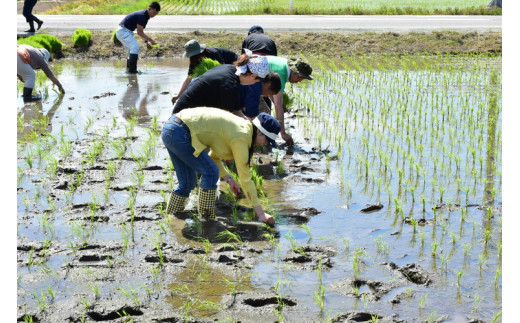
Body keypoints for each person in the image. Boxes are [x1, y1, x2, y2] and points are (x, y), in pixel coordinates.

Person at [162, 108, 281, 226]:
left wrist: (229, 179)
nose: (266, 144)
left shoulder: (242, 127)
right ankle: (206, 220)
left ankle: (171, 218)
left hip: (171, 128)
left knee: (188, 182)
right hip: (181, 132)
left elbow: (214, 158)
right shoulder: (242, 136)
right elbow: (245, 179)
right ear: (259, 131)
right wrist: (261, 214)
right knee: (211, 172)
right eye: (267, 139)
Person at [172, 51, 280, 118]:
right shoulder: (229, 85)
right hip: (182, 119)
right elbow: (227, 119)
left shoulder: (230, 69)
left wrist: (247, 123)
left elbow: (235, 108)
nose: (254, 84)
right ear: (252, 76)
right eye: (256, 81)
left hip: (185, 114)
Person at [265, 56, 313, 145]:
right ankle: (259, 145)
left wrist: (279, 105)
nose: (299, 81)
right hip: (245, 78)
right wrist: (283, 134)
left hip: (248, 75)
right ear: (294, 73)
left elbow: (271, 92)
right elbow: (278, 107)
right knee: (261, 113)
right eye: (300, 78)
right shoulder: (281, 73)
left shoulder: (284, 65)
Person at [171, 39, 240, 103]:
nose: (192, 58)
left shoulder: (213, 53)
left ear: (200, 52)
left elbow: (224, 70)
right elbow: (189, 78)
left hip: (234, 62)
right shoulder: (194, 60)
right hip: (222, 68)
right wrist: (178, 95)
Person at [115, 1, 160, 74]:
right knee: (135, 47)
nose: (154, 15)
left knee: (131, 51)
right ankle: (132, 71)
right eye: (154, 12)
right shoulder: (142, 16)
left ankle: (130, 71)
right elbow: (140, 32)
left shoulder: (145, 16)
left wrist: (146, 42)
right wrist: (151, 40)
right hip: (123, 32)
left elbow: (140, 32)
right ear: (149, 9)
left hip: (125, 32)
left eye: (156, 13)